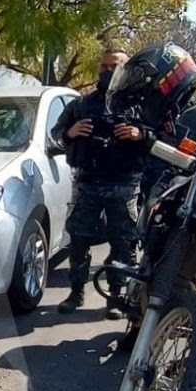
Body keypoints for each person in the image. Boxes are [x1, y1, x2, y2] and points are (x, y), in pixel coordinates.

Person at [50, 46, 141, 317]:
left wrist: (138, 134)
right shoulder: (80, 104)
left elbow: (157, 136)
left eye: (114, 67)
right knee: (78, 239)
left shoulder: (139, 104)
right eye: (103, 66)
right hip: (87, 181)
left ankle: (116, 296)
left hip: (124, 182)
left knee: (123, 242)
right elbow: (55, 134)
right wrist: (70, 132)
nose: (107, 71)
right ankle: (76, 292)